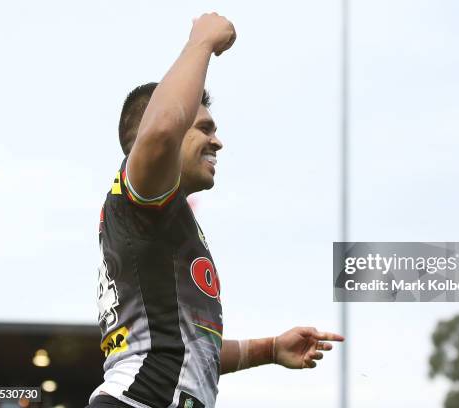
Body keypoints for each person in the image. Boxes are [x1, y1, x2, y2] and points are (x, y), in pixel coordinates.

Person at [87, 12, 344, 408]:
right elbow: (159, 133)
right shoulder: (140, 190)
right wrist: (201, 42)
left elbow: (190, 350)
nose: (218, 141)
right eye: (204, 127)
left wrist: (271, 349)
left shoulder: (160, 218)